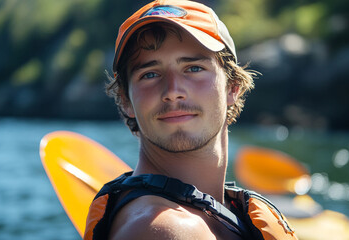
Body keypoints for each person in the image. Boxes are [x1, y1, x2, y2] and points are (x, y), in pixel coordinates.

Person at [84, 0, 298, 239]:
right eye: (150, 74)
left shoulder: (221, 211)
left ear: (233, 86)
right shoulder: (161, 229)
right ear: (125, 100)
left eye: (193, 68)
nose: (173, 90)